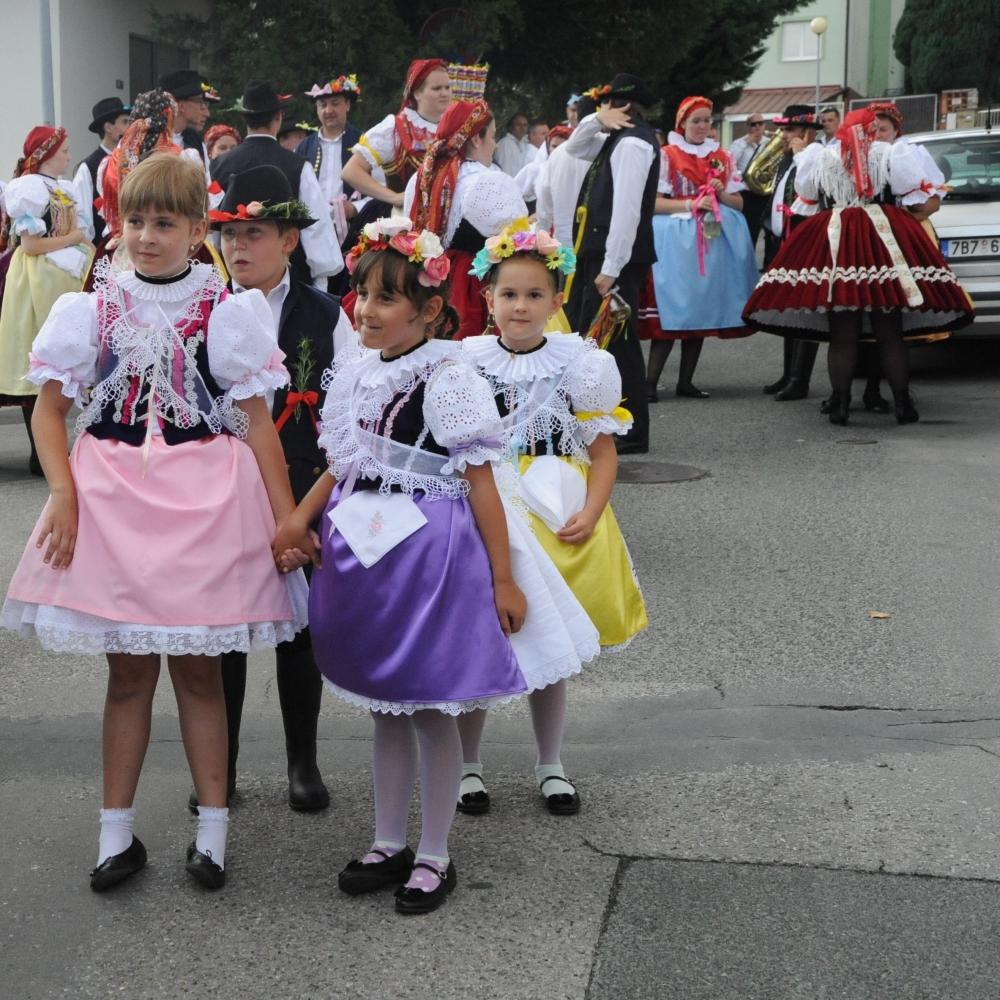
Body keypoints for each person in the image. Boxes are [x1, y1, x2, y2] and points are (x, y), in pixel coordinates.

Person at [1, 154, 308, 892]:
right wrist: (63, 492)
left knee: (200, 674)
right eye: (134, 220)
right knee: (128, 673)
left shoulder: (226, 312)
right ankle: (116, 835)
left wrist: (287, 521)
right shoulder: (92, 307)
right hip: (111, 501)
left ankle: (213, 832)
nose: (145, 236)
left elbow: (256, 425)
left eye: (164, 223)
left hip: (205, 502)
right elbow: (50, 411)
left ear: (198, 230)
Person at [273, 219, 529, 914]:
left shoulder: (448, 377)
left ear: (430, 310)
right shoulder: (358, 370)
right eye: (362, 294)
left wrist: (503, 577)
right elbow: (346, 460)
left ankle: (435, 852)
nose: (365, 309)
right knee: (387, 705)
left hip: (428, 554)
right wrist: (300, 516)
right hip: (364, 546)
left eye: (386, 298)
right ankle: (389, 841)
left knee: (429, 706)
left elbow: (481, 484)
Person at [459, 225, 644, 815]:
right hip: (486, 509)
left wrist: (591, 512)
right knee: (481, 640)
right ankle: (467, 765)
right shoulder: (465, 362)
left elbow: (603, 454)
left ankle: (551, 763)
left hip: (554, 511)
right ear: (488, 298)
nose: (521, 306)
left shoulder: (580, 364)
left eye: (535, 294)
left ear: (557, 300)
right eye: (509, 294)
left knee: (551, 648)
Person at [206, 165, 356, 813]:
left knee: (301, 632)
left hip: (302, 488)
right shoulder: (205, 311)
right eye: (229, 234)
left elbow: (349, 413)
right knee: (224, 636)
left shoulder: (326, 315)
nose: (238, 247)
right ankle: (221, 767)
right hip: (221, 494)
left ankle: (302, 762)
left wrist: (309, 510)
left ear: (290, 241)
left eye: (255, 234)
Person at [743, 103, 973, 425]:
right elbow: (915, 198)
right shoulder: (890, 154)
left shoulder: (820, 156)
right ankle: (902, 404)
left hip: (838, 236)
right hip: (882, 237)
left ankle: (840, 405)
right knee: (888, 330)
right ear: (870, 130)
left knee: (843, 332)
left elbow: (807, 198)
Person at [563, 74, 661, 455]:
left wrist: (612, 267)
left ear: (621, 105)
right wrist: (594, 121)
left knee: (619, 342)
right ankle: (606, 422)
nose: (601, 110)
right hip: (600, 254)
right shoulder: (616, 138)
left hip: (615, 259)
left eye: (605, 104)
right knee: (599, 339)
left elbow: (627, 211)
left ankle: (632, 430)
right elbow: (575, 147)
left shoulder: (633, 144)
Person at [639, 96, 757, 401]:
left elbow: (739, 203)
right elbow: (653, 203)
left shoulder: (722, 156)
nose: (703, 126)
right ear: (682, 124)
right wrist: (691, 203)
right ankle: (650, 383)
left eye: (707, 120)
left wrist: (721, 194)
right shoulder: (668, 154)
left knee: (699, 308)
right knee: (674, 306)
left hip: (711, 239)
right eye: (696, 121)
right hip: (676, 240)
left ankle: (686, 381)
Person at [0, 126, 94, 475]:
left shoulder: (62, 188)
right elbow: (30, 245)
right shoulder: (28, 189)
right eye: (64, 151)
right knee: (40, 362)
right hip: (36, 280)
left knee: (69, 361)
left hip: (64, 276)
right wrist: (74, 238)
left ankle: (61, 447)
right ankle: (41, 453)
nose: (69, 156)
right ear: (46, 154)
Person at [404, 98, 526, 339]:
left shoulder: (422, 176)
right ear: (476, 139)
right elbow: (519, 241)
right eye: (492, 136)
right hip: (469, 289)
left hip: (422, 280)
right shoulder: (488, 181)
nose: (495, 145)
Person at [210, 81, 343, 289]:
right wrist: (320, 281)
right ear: (278, 118)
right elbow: (317, 229)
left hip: (232, 280)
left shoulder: (218, 165)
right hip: (288, 283)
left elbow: (213, 228)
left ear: (245, 119)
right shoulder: (297, 166)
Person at [760, 106, 822, 401]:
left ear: (807, 133)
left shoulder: (815, 157)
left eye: (789, 130)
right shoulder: (787, 160)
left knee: (804, 311)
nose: (782, 135)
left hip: (804, 244)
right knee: (788, 310)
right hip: (782, 242)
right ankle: (788, 374)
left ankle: (800, 379)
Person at [341, 58, 452, 212]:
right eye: (436, 88)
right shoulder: (395, 128)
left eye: (447, 87)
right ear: (417, 93)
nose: (445, 93)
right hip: (404, 220)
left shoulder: (456, 128)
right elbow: (351, 171)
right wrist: (394, 197)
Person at [535, 95, 600, 246]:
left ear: (578, 116)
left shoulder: (557, 153)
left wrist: (541, 235)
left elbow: (544, 203)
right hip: (594, 242)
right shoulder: (605, 148)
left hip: (563, 240)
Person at [74, 97, 130, 242]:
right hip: (103, 245)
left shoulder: (133, 159)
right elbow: (81, 216)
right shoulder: (88, 167)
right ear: (108, 127)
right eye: (125, 122)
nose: (130, 127)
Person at [158, 68, 221, 177]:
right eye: (201, 104)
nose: (207, 114)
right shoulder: (149, 140)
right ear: (181, 106)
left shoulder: (196, 141)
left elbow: (207, 182)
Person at [728, 115, 769, 247]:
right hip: (748, 193)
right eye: (753, 124)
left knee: (769, 229)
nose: (757, 127)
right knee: (750, 231)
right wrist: (746, 143)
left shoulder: (769, 143)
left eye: (760, 123)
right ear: (748, 126)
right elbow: (730, 162)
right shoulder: (738, 143)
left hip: (766, 192)